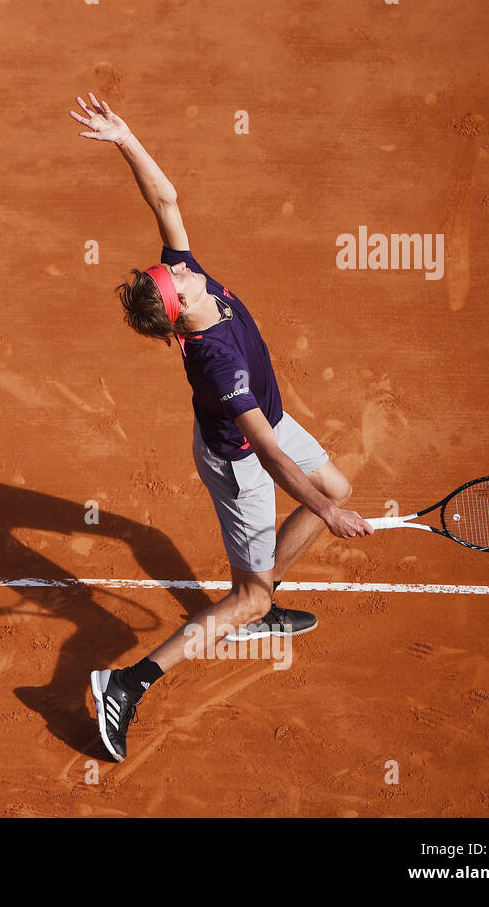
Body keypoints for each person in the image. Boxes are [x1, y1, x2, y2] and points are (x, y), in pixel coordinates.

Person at [69, 93, 374, 762]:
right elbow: (267, 454)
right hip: (242, 461)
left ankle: (260, 599)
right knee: (273, 565)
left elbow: (166, 200)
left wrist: (125, 138)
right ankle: (126, 682)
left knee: (337, 487)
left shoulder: (194, 289)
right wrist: (324, 514)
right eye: (177, 275)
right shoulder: (218, 361)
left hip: (272, 422)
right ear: (182, 309)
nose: (183, 265)